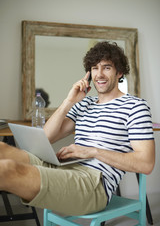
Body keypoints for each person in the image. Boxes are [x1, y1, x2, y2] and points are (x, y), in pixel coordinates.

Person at [0, 41, 155, 216]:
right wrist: (68, 102)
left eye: (107, 68)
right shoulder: (84, 103)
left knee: (6, 170)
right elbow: (46, 137)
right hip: (64, 169)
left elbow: (146, 163)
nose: (99, 74)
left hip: (94, 184)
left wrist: (92, 152)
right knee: (2, 149)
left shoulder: (135, 106)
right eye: (95, 68)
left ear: (119, 72)